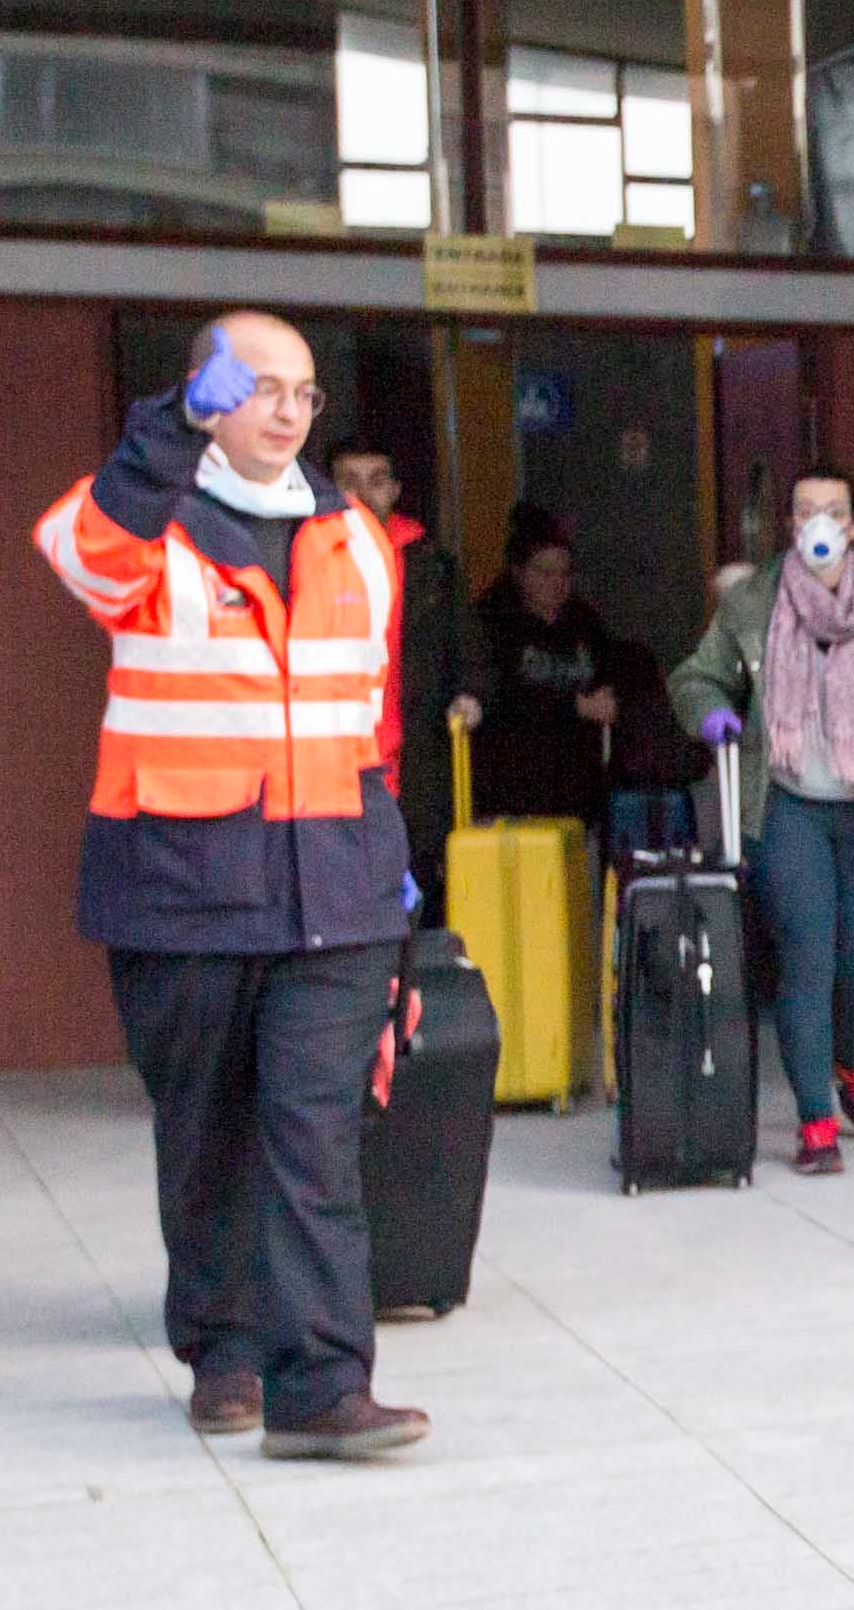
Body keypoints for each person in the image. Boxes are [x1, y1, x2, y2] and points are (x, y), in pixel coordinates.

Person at [32, 310, 431, 1458]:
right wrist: (167, 429)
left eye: (303, 391)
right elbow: (79, 553)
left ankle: (322, 1389)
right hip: (184, 891)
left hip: (335, 893)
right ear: (209, 393)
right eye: (258, 385)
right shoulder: (148, 523)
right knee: (207, 1133)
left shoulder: (354, 536)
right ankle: (223, 1347)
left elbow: (366, 724)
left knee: (315, 1137)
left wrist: (393, 889)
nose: (287, 409)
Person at [670, 465, 854, 1175]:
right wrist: (711, 710)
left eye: (833, 511)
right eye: (805, 512)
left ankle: (849, 1059)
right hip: (787, 807)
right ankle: (816, 1122)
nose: (819, 524)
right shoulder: (752, 606)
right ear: (790, 526)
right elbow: (694, 675)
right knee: (807, 961)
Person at [330, 444, 464, 914]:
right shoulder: (307, 557)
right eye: (350, 480)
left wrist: (470, 696)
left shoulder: (431, 563)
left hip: (415, 757)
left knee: (421, 894)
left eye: (377, 479)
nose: (364, 493)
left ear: (395, 491)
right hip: (335, 760)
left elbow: (463, 647)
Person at [459, 504, 622, 832]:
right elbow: (498, 696)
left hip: (578, 793)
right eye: (545, 572)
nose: (557, 583)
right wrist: (575, 706)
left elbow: (613, 677)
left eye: (565, 573)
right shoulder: (493, 621)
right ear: (518, 572)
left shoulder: (584, 622)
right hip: (512, 792)